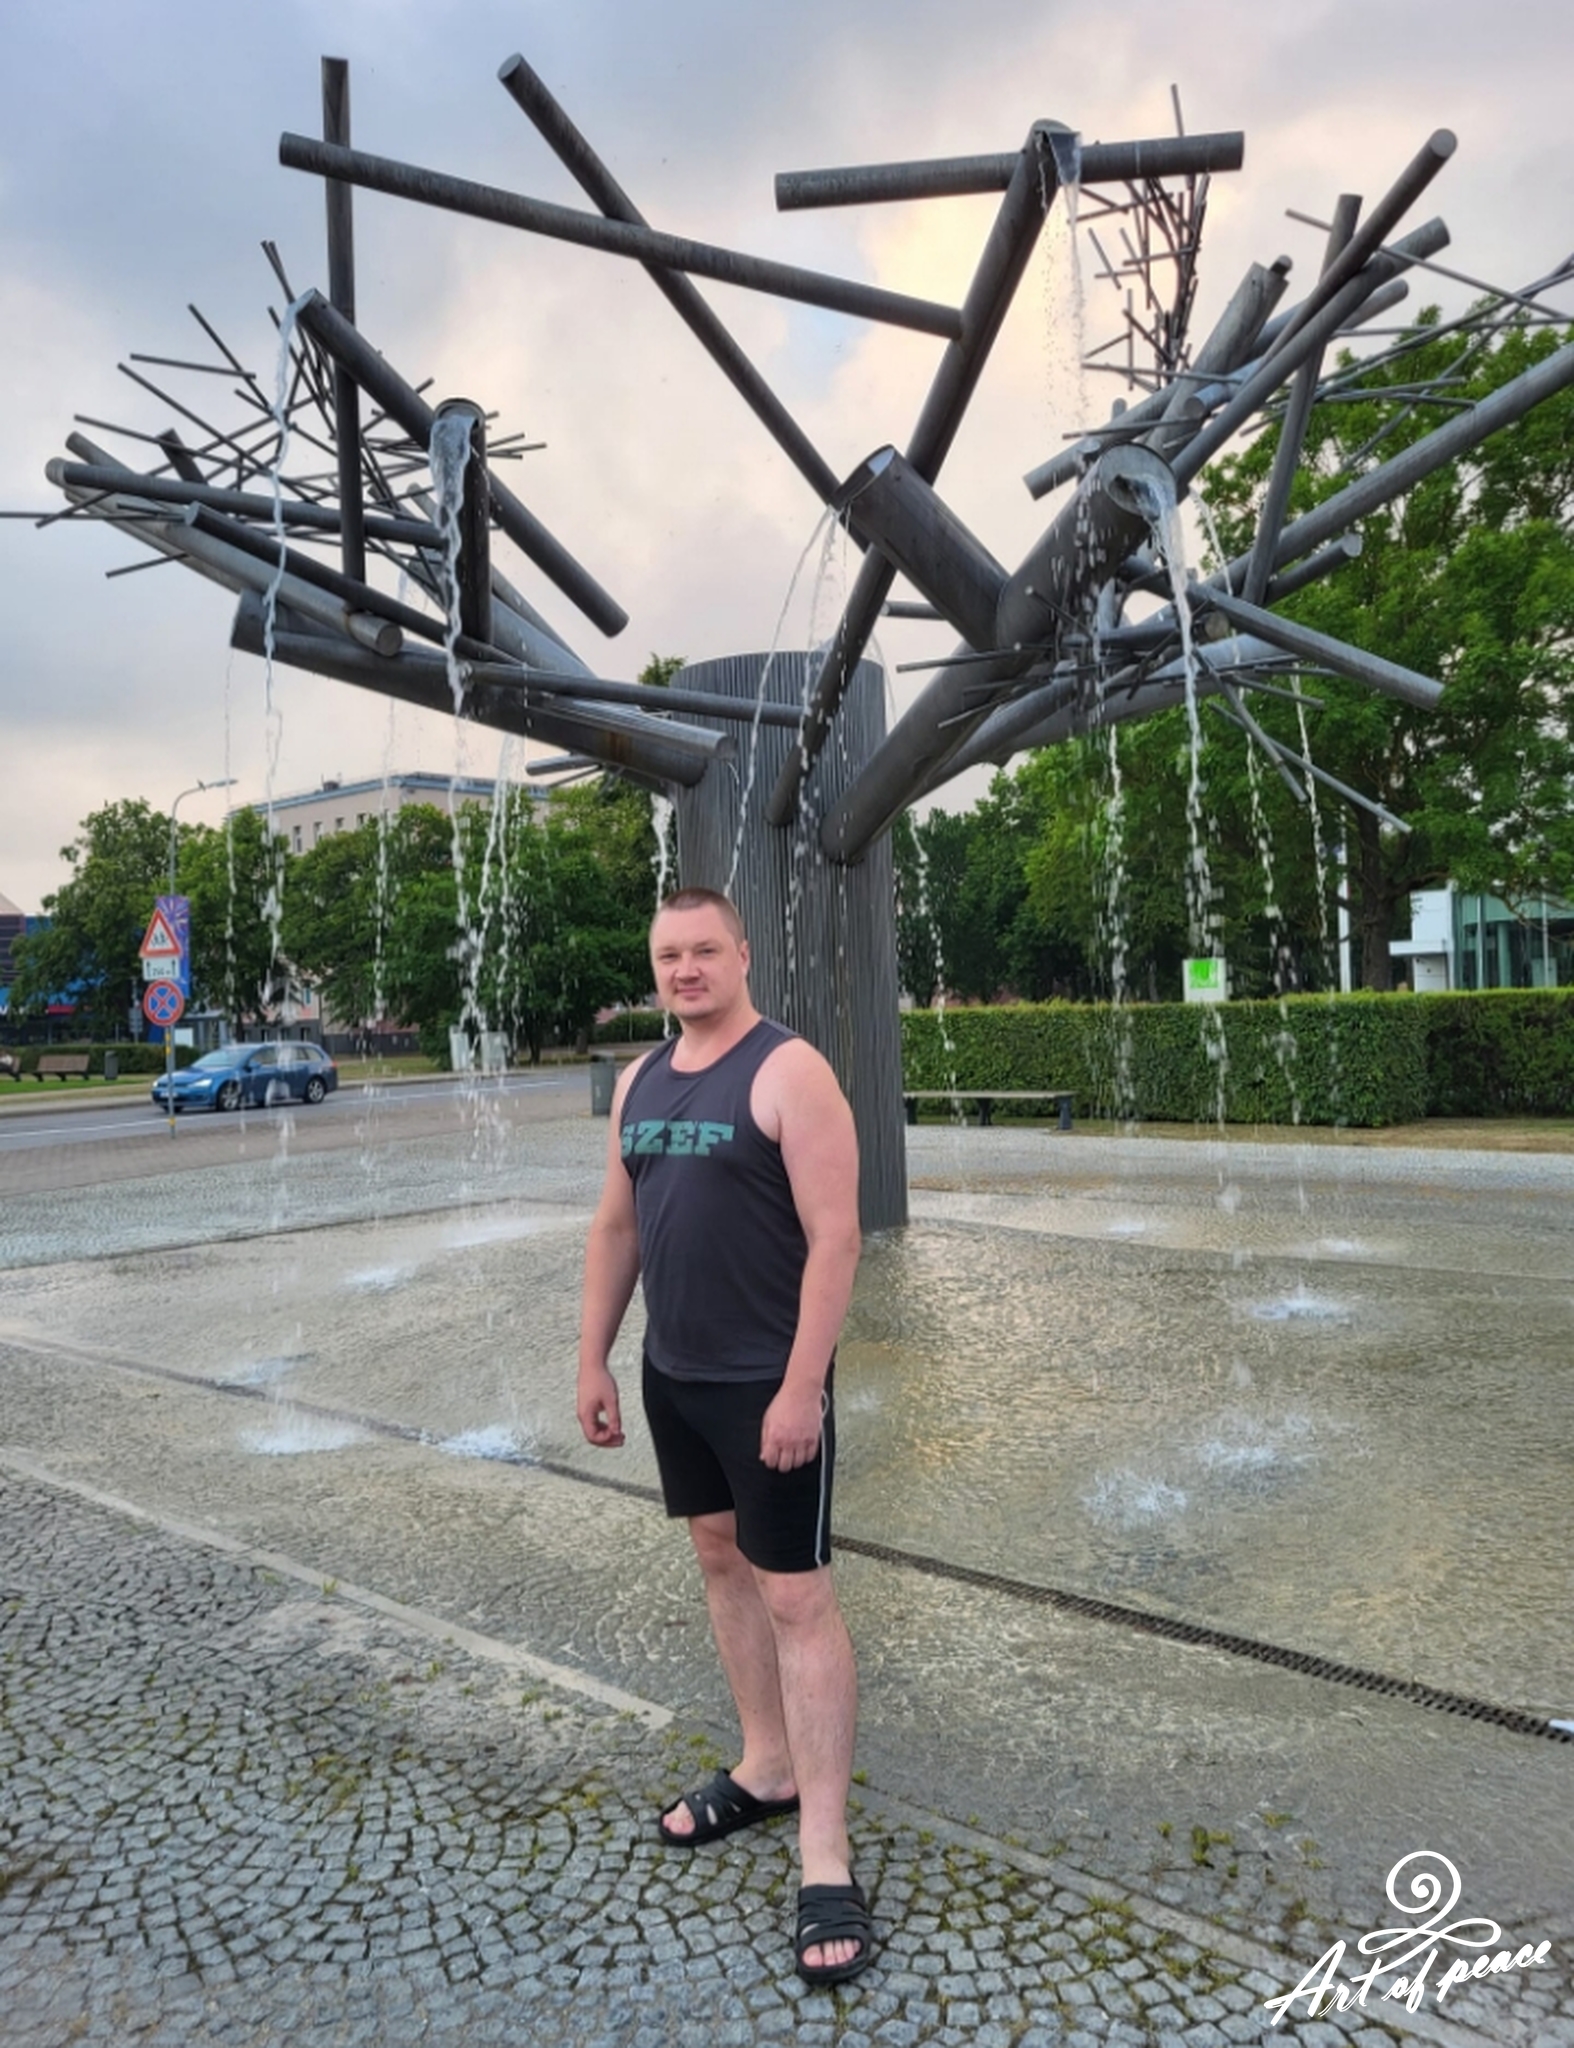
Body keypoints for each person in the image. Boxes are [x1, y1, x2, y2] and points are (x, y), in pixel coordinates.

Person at [577, 886, 871, 1985]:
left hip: (766, 1381)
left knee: (797, 1595)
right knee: (718, 1559)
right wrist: (593, 1356)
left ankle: (825, 1853)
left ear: (743, 954)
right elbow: (617, 1225)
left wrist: (801, 1389)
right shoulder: (639, 1080)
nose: (686, 968)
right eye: (669, 955)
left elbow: (836, 1239)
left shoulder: (789, 1071)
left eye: (705, 949)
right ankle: (765, 1766)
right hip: (676, 1375)